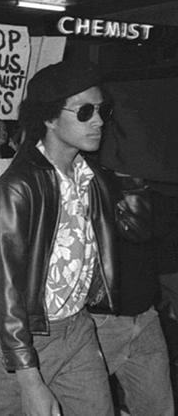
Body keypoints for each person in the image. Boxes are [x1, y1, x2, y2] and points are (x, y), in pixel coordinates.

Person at [0, 60, 119, 416]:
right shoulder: (18, 187)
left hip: (78, 328)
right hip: (23, 336)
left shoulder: (91, 179)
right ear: (50, 119)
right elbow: (8, 290)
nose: (98, 120)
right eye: (85, 111)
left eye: (102, 110)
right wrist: (28, 375)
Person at [90, 173, 174, 415]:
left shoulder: (155, 182)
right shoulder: (91, 177)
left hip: (145, 316)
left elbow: (164, 247)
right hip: (101, 321)